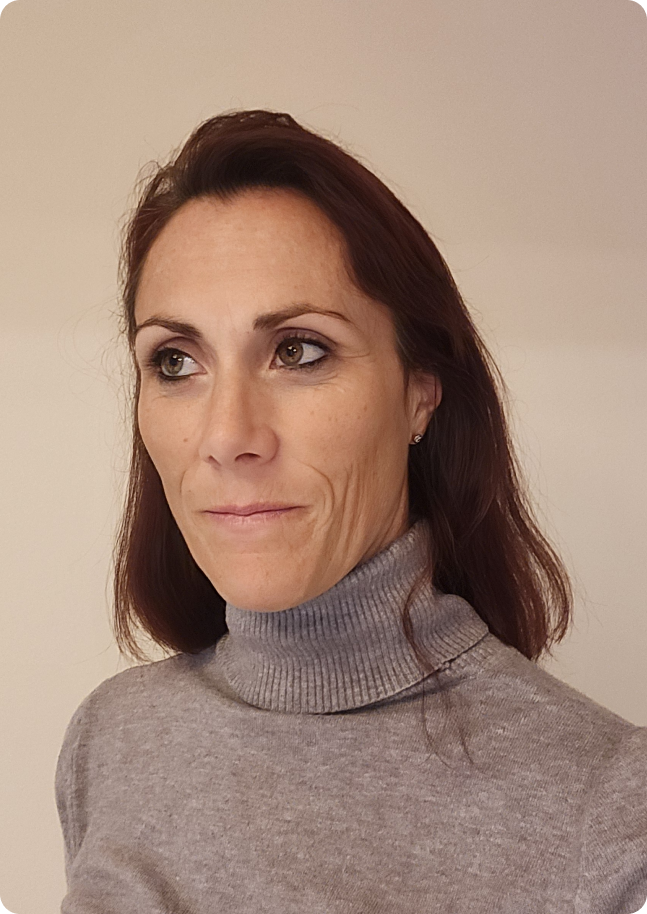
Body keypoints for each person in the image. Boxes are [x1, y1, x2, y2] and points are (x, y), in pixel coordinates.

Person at [55, 110, 647, 913]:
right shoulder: (110, 738)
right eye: (175, 361)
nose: (227, 436)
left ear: (420, 393)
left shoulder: (610, 813)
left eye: (297, 350)